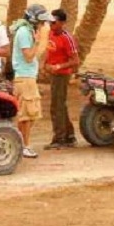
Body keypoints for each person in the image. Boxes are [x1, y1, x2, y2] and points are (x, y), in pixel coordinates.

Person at [10, 3, 53, 159]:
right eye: (42, 22)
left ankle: (21, 144)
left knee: (30, 114)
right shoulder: (23, 33)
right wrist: (38, 40)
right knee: (27, 115)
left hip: (28, 77)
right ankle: (24, 146)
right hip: (24, 78)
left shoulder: (28, 31)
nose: (44, 24)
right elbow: (28, 57)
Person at [44, 9, 80, 150]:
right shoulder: (50, 34)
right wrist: (46, 64)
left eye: (54, 22)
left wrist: (59, 66)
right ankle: (69, 136)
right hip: (53, 74)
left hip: (62, 75)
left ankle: (59, 138)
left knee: (56, 106)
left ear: (62, 23)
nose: (51, 24)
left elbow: (75, 60)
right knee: (60, 105)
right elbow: (49, 51)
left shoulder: (67, 38)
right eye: (50, 21)